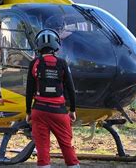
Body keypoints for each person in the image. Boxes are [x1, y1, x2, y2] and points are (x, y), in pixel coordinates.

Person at [26, 28, 80, 168]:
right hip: (59, 112)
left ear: (38, 46)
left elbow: (29, 90)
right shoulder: (62, 63)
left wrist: (28, 112)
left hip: (39, 111)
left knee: (43, 149)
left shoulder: (34, 63)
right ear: (56, 46)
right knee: (67, 146)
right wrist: (72, 109)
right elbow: (70, 88)